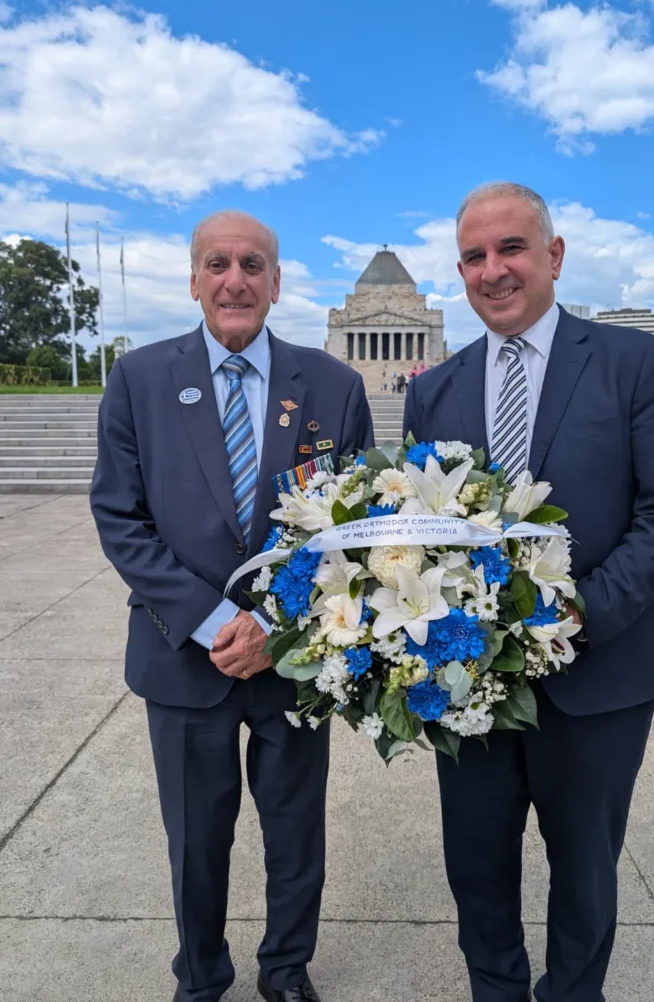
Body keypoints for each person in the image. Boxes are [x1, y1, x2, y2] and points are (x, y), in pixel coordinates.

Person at [402, 182, 654, 1002]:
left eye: (511, 248)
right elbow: (419, 529)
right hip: (466, 680)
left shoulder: (631, 363)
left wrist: (578, 614)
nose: (492, 270)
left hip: (599, 675)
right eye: (473, 256)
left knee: (584, 870)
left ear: (554, 255)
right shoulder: (433, 389)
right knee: (475, 866)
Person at [91, 210, 374, 1002]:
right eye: (217, 264)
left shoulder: (333, 386)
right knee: (195, 840)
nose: (235, 280)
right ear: (194, 280)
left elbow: (353, 528)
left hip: (296, 658)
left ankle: (285, 970)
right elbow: (121, 517)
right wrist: (218, 623)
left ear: (276, 282)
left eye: (252, 265)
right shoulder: (139, 379)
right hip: (183, 657)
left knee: (296, 834)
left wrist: (274, 627)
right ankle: (201, 976)